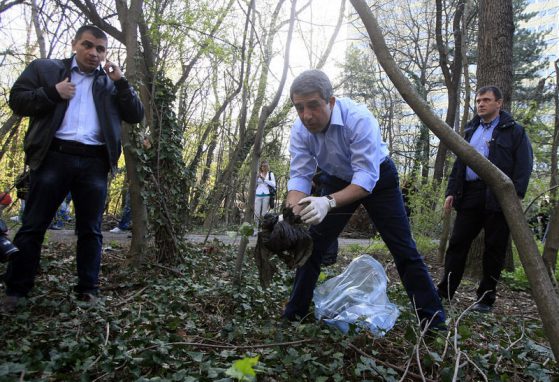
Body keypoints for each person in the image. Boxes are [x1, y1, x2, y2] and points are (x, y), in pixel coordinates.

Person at [282, 69, 445, 330]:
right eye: (299, 108)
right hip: (335, 178)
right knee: (311, 246)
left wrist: (327, 202)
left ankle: (434, 322)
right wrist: (290, 213)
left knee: (404, 249)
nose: (306, 116)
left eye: (313, 105)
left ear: (330, 101)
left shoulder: (359, 119)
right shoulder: (300, 130)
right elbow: (300, 175)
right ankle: (294, 315)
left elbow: (366, 181)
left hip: (378, 179)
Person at [1, 25, 144, 312]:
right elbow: (17, 99)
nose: (94, 53)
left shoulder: (110, 83)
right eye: (88, 45)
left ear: (105, 53)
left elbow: (135, 114)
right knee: (33, 226)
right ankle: (16, 291)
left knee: (91, 230)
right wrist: (52, 93)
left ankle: (88, 290)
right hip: (53, 156)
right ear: (74, 45)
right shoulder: (47, 69)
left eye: (100, 49)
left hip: (94, 162)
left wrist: (122, 82)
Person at [437, 86, 533, 313]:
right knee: (458, 243)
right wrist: (451, 192)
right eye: (479, 100)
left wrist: (515, 195)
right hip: (469, 194)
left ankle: (486, 299)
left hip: (499, 197)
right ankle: (444, 292)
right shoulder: (470, 130)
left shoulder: (514, 131)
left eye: (486, 100)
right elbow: (459, 164)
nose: (481, 104)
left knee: (494, 249)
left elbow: (524, 165)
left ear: (499, 103)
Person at [255, 160, 276, 227]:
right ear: (261, 167)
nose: (264, 167)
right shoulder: (258, 173)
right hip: (258, 194)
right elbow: (254, 184)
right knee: (256, 213)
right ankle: (255, 229)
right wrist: (257, 178)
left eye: (266, 166)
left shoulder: (270, 174)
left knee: (264, 214)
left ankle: (263, 228)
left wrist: (264, 179)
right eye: (263, 166)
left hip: (267, 195)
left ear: (268, 166)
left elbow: (273, 184)